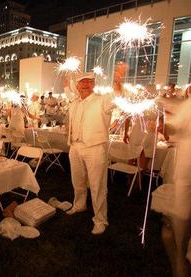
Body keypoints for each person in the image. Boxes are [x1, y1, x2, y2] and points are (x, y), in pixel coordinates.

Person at [66, 64, 125, 235]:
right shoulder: (74, 103)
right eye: (82, 82)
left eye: (89, 82)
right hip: (75, 146)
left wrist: (118, 80)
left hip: (95, 147)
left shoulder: (102, 100)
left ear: (93, 84)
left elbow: (116, 96)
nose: (85, 85)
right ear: (77, 86)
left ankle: (100, 219)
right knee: (77, 180)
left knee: (97, 185)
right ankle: (79, 205)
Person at [164, 94, 191, 277]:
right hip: (187, 171)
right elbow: (174, 126)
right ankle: (180, 261)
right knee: (182, 217)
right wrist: (164, 125)